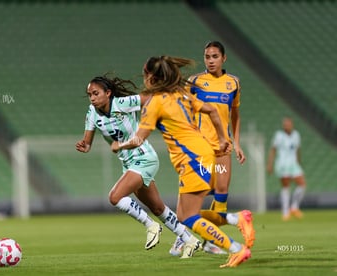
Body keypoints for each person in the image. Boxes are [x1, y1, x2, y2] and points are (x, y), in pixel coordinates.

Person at [111, 56, 252, 268]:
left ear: (150, 76)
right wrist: (223, 138)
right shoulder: (182, 94)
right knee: (184, 215)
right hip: (202, 153)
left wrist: (119, 146)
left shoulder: (155, 103)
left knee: (189, 217)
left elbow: (139, 139)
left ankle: (236, 248)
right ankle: (236, 219)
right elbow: (212, 110)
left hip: (193, 159)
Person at [75, 75, 201, 258]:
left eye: (96, 93)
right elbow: (87, 143)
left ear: (108, 93)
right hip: (129, 164)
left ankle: (151, 226)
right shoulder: (92, 112)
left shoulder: (123, 103)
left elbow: (149, 99)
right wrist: (84, 146)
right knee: (158, 208)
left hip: (144, 158)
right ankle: (189, 239)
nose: (92, 98)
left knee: (115, 197)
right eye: (89, 95)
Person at [170, 41, 251, 256]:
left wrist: (237, 142)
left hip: (223, 148)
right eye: (207, 57)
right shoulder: (195, 82)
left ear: (224, 58)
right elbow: (183, 109)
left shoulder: (233, 83)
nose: (211, 60)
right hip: (199, 149)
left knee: (222, 191)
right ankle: (182, 236)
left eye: (215, 56)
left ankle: (211, 241)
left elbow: (235, 114)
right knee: (197, 193)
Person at [267, 117, 306, 221]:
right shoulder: (279, 135)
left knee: (302, 184)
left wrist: (298, 161)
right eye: (285, 124)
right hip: (282, 164)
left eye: (288, 124)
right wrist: (270, 164)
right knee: (286, 187)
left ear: (292, 125)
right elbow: (273, 150)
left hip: (293, 163)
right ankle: (285, 211)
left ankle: (294, 207)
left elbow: (298, 149)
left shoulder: (296, 135)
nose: (286, 126)